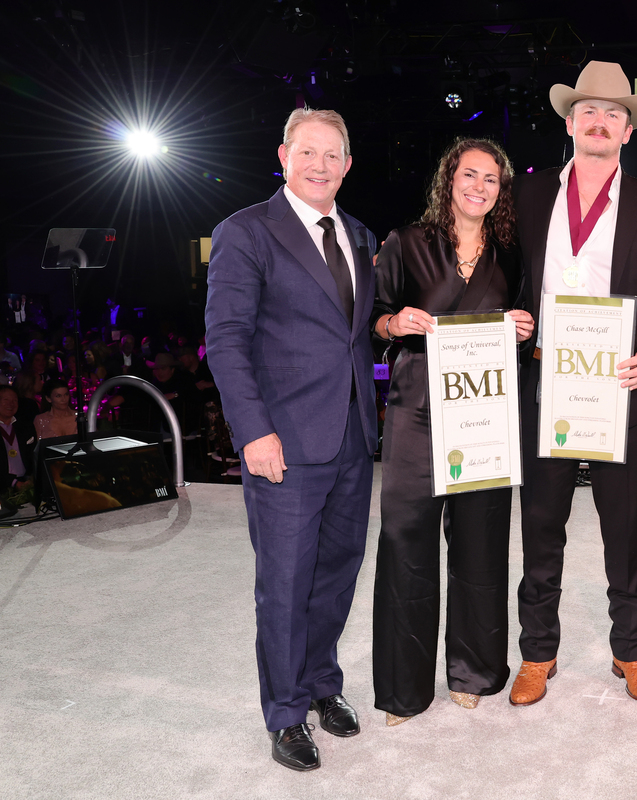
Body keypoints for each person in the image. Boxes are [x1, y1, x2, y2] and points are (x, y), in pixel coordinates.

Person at [509, 61, 637, 706]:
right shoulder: (527, 195)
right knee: (541, 526)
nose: (600, 121)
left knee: (624, 527)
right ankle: (538, 652)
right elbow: (506, 275)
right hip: (546, 383)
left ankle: (632, 651)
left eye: (614, 113)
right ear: (569, 122)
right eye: (588, 110)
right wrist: (512, 318)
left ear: (628, 131)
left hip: (619, 387)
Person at [205, 108, 377, 772]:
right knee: (284, 582)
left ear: (348, 165)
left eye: (333, 155)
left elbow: (357, 332)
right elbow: (226, 340)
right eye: (308, 152)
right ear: (284, 156)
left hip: (353, 438)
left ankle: (321, 683)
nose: (320, 165)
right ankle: (284, 714)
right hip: (283, 443)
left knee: (336, 574)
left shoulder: (359, 234)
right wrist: (253, 431)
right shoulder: (246, 231)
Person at [370, 138, 533, 724]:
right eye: (470, 174)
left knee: (480, 543)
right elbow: (371, 320)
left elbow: (526, 322)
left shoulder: (511, 252)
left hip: (485, 411)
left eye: (491, 179)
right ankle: (404, 690)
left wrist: (524, 327)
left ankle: (474, 671)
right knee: (406, 545)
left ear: (501, 190)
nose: (479, 187)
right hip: (416, 410)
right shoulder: (407, 242)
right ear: (449, 178)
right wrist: (394, 322)